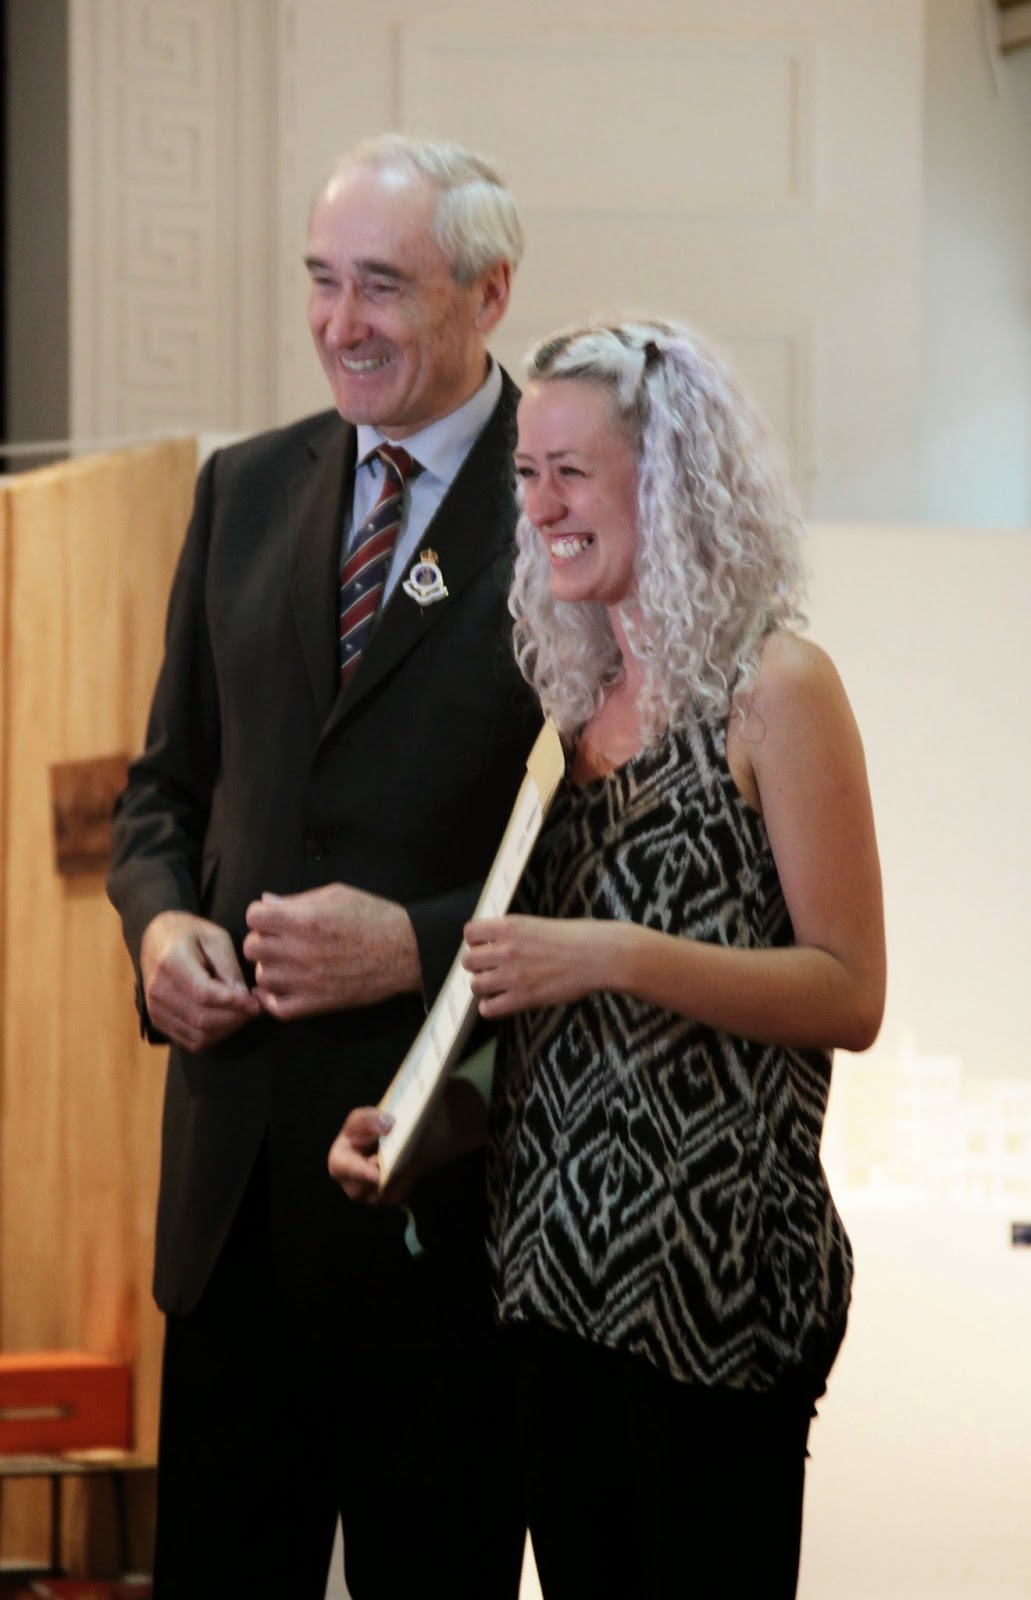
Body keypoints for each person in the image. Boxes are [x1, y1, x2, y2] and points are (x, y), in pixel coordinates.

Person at [331, 316, 885, 1598]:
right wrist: (415, 1125)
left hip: (713, 1283)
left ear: (671, 480)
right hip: (548, 1283)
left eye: (570, 472)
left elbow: (848, 990)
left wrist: (614, 952)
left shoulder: (775, 688)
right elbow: (550, 1046)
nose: (539, 507)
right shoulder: (569, 720)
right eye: (527, 474)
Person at [107, 133, 540, 1600]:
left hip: (441, 1201)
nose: (339, 323)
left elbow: (603, 859)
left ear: (488, 294)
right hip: (229, 1207)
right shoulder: (242, 489)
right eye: (320, 281)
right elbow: (163, 794)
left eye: (382, 287)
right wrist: (160, 935)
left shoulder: (563, 505)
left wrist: (417, 941)